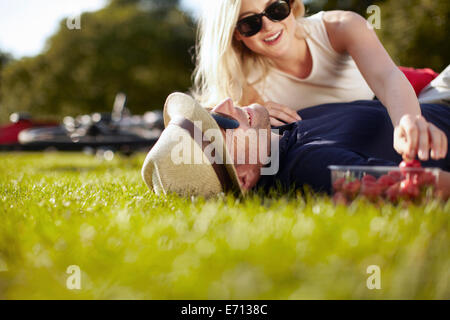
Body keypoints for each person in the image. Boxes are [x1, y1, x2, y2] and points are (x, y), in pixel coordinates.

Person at [191, 0, 449, 162]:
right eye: (250, 23)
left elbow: (387, 77)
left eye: (276, 9)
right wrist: (253, 116)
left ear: (292, 5)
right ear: (236, 34)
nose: (269, 25)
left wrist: (409, 120)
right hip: (363, 127)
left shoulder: (339, 26)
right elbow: (201, 129)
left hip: (418, 94)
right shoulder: (245, 86)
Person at [141, 93, 450, 199]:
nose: (225, 103)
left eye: (213, 114)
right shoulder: (309, 167)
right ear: (244, 178)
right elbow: (422, 188)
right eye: (225, 126)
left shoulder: (281, 131)